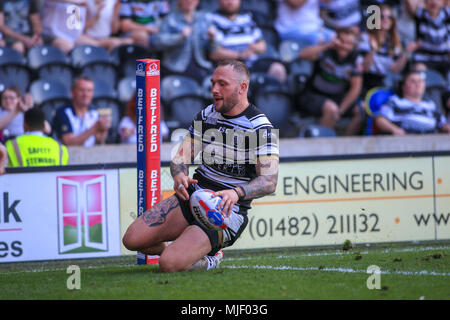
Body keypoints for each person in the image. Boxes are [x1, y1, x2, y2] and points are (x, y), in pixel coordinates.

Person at [122, 60, 279, 272]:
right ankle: (178, 248)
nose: (214, 89)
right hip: (193, 194)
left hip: (225, 211)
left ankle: (211, 258)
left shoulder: (260, 127)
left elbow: (269, 182)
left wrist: (236, 193)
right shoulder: (207, 115)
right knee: (132, 240)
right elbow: (181, 159)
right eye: (213, 83)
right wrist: (180, 175)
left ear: (243, 87)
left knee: (168, 264)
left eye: (222, 84)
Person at [298, 27, 364, 135]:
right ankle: (323, 144)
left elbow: (356, 89)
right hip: (313, 95)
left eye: (349, 44)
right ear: (336, 40)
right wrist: (327, 45)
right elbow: (303, 54)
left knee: (362, 109)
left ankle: (345, 145)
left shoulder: (356, 59)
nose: (344, 46)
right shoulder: (326, 51)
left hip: (337, 97)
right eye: (342, 42)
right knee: (331, 109)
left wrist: (341, 110)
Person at [208, 0, 287, 83]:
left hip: (252, 64)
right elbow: (214, 53)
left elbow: (262, 45)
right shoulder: (211, 20)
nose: (230, 1)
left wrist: (254, 48)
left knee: (278, 69)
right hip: (228, 67)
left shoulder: (247, 18)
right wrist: (240, 55)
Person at [359, 4, 421, 95]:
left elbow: (394, 69)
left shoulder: (393, 41)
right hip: (364, 80)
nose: (386, 20)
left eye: (390, 17)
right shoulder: (365, 37)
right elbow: (364, 68)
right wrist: (372, 50)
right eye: (382, 16)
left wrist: (406, 52)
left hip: (382, 81)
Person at [152, 0, 216, 83]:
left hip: (201, 67)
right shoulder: (170, 19)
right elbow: (158, 42)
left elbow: (213, 50)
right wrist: (180, 37)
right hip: (176, 67)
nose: (190, 1)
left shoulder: (204, 19)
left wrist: (212, 38)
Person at [374, 70, 450, 135]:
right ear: (403, 86)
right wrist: (394, 129)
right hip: (405, 142)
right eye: (413, 81)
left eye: (420, 81)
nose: (417, 84)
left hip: (430, 142)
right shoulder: (395, 101)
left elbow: (443, 124)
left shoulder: (430, 105)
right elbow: (380, 119)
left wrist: (446, 128)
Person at [52, 76, 112, 147]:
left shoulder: (95, 113)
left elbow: (99, 143)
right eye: (82, 90)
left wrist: (103, 133)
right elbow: (69, 143)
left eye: (89, 90)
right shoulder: (62, 113)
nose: (85, 94)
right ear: (72, 92)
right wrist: (95, 128)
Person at [405, 0, 450, 76]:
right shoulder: (420, 13)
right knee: (420, 73)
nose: (434, 2)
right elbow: (409, 2)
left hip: (444, 58)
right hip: (423, 58)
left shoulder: (446, 13)